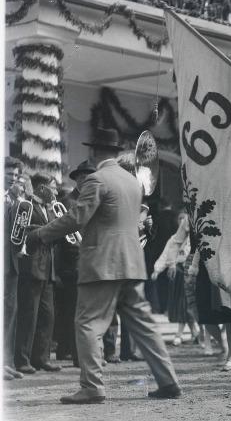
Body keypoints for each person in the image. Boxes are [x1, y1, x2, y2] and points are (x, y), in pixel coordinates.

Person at [26, 128, 182, 403]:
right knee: (144, 326)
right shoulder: (133, 182)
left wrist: (40, 234)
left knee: (86, 323)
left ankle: (92, 386)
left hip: (102, 264)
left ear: (94, 152)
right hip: (131, 263)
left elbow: (76, 217)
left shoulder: (97, 179)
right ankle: (168, 381)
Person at [15, 174, 61, 374]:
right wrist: (45, 230)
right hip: (32, 267)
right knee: (29, 315)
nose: (56, 192)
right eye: (53, 187)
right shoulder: (27, 206)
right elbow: (20, 232)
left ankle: (41, 358)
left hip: (48, 268)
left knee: (47, 316)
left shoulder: (50, 209)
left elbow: (56, 234)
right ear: (41, 188)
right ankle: (22, 359)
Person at [53, 161, 95, 367]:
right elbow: (62, 238)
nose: (86, 181)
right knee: (73, 310)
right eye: (82, 178)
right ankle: (73, 353)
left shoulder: (94, 199)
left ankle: (71, 351)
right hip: (72, 263)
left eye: (89, 177)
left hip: (89, 260)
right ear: (77, 180)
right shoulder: (68, 202)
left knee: (81, 311)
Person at [152, 211, 201, 346]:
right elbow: (166, 254)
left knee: (187, 304)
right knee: (183, 305)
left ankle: (184, 333)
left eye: (184, 219)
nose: (182, 222)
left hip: (191, 271)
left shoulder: (195, 240)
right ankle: (195, 333)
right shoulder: (175, 239)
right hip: (179, 273)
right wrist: (157, 269)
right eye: (180, 219)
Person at [4, 157, 29, 380]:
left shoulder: (16, 200)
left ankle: (7, 362)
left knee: (10, 314)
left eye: (15, 175)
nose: (12, 178)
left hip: (11, 264)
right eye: (8, 173)